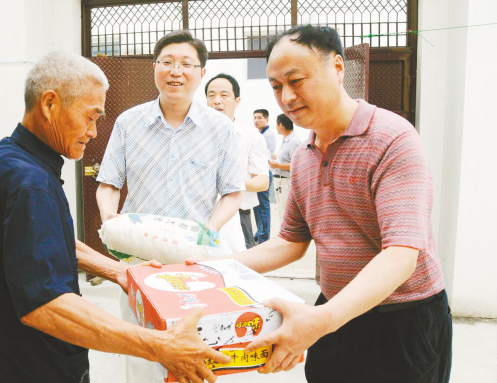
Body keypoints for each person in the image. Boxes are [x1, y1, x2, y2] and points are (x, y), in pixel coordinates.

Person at [191, 25, 452, 383]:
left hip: (402, 319)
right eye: (276, 86)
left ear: (338, 67)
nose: (286, 96)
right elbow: (290, 242)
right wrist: (210, 268)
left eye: (296, 80)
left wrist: (321, 321)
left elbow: (401, 254)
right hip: (333, 309)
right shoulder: (304, 156)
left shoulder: (393, 139)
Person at [0, 51, 230, 383]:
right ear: (50, 104)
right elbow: (47, 306)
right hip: (34, 368)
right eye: (90, 117)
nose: (93, 132)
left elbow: (40, 242)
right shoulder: (31, 185)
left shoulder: (9, 158)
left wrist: (121, 270)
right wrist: (160, 345)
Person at [95, 30, 243, 383]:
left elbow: (233, 192)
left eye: (187, 64)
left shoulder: (221, 129)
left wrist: (209, 230)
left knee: (197, 350)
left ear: (201, 72)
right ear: (155, 68)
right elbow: (108, 183)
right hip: (139, 260)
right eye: (168, 62)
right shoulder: (129, 123)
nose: (176, 71)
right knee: (142, 350)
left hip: (195, 261)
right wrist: (111, 223)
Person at [205, 73, 270, 250]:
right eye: (211, 95)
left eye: (224, 95)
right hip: (201, 213)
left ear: (237, 100)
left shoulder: (251, 137)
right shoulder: (194, 136)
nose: (217, 101)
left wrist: (230, 185)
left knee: (240, 264)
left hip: (239, 215)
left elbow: (263, 181)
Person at [269, 113, 302, 224]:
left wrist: (278, 165)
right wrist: (270, 155)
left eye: (276, 125)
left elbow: (297, 164)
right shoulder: (286, 139)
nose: (276, 127)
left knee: (286, 215)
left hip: (286, 182)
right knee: (281, 213)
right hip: (279, 182)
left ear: (281, 125)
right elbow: (284, 158)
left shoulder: (294, 141)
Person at [252, 108, 275, 243]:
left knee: (263, 207)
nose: (256, 120)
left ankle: (264, 237)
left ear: (267, 119)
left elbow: (263, 157)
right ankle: (260, 233)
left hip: (264, 173)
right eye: (255, 118)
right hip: (261, 172)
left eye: (259, 118)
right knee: (258, 206)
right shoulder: (261, 133)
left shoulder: (267, 135)